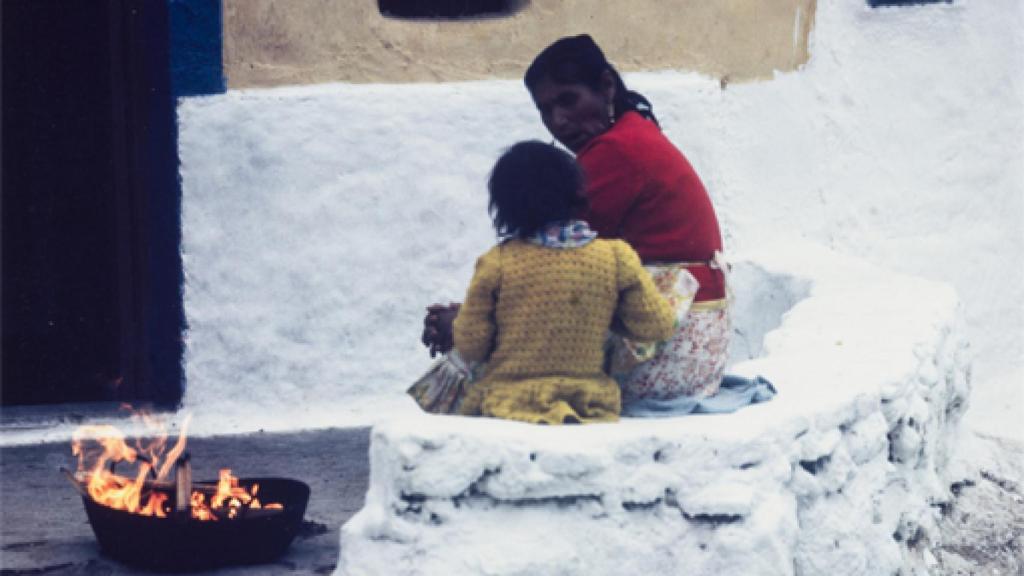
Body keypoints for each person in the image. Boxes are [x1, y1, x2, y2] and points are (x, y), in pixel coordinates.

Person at [424, 35, 731, 407]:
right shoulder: (634, 134)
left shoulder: (614, 151)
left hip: (667, 350)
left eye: (568, 100)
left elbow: (548, 273)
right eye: (546, 110)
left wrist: (464, 323)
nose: (559, 121)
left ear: (605, 87)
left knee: (478, 369)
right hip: (695, 350)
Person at [438, 141, 674, 424]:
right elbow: (657, 325)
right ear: (578, 193)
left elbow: (471, 346)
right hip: (590, 401)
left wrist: (456, 321)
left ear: (504, 206)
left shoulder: (496, 263)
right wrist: (609, 315)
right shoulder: (615, 257)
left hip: (509, 400)